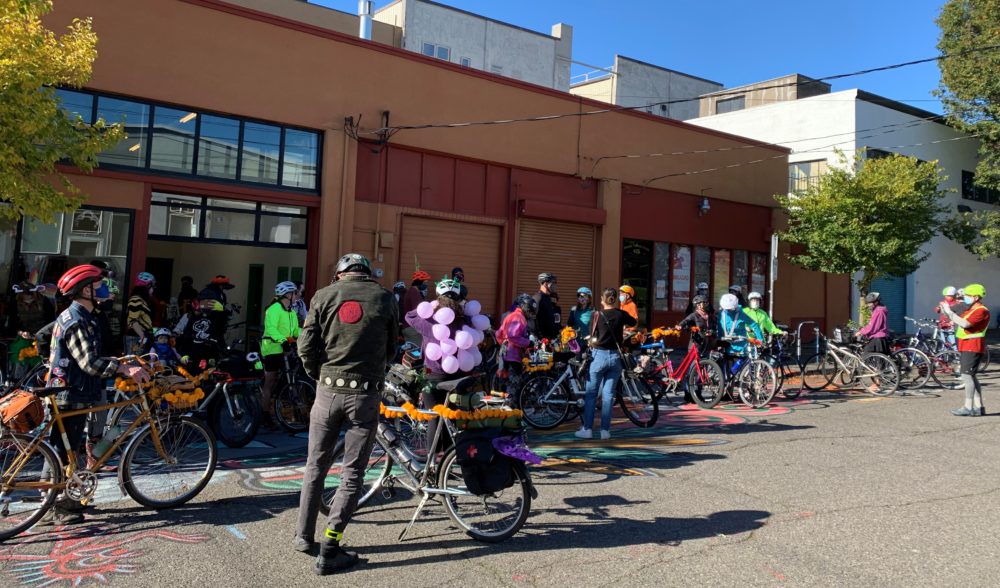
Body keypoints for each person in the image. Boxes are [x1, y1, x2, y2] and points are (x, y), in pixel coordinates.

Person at [295, 253, 397, 574]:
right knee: (352, 473)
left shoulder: (323, 295)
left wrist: (318, 374)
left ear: (339, 274)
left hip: (327, 391)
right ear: (366, 273)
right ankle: (331, 546)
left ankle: (303, 537)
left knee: (316, 465)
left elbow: (305, 345)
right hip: (365, 393)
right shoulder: (384, 297)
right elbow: (392, 346)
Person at [43, 264, 148, 525]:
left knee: (66, 451)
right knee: (60, 451)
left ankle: (57, 503)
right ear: (85, 290)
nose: (103, 288)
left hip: (73, 390)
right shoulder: (77, 320)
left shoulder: (83, 315)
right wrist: (123, 367)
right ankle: (54, 508)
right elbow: (88, 362)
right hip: (72, 393)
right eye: (98, 284)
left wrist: (120, 359)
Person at [576, 288, 636, 440]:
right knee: (608, 396)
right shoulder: (620, 314)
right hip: (615, 357)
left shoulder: (596, 315)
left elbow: (591, 334)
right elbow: (634, 322)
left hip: (598, 356)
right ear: (615, 299)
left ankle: (587, 429)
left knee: (591, 395)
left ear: (603, 299)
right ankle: (605, 431)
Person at [940, 284, 990, 417]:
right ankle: (979, 407)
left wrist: (950, 312)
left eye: (967, 295)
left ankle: (968, 407)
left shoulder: (981, 310)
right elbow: (956, 317)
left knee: (967, 376)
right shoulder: (971, 308)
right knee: (972, 376)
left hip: (973, 346)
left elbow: (965, 324)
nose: (965, 297)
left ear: (976, 297)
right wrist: (947, 310)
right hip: (967, 345)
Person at [261, 281, 302, 429]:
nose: (297, 296)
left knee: (289, 378)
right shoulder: (274, 309)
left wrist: (309, 334)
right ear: (288, 294)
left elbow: (296, 331)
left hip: (285, 348)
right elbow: (271, 328)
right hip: (272, 348)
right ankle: (264, 415)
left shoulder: (291, 311)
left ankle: (282, 407)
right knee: (270, 381)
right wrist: (283, 340)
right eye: (295, 293)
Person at [175, 288, 228, 368]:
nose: (199, 312)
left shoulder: (215, 318)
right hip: (193, 352)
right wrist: (184, 354)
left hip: (209, 352)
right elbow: (187, 336)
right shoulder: (191, 318)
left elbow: (219, 329)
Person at [496, 293, 536, 378]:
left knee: (505, 383)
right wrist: (528, 343)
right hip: (513, 357)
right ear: (525, 307)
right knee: (514, 385)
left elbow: (498, 334)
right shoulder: (518, 317)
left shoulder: (513, 315)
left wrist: (503, 344)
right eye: (530, 311)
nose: (530, 314)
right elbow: (513, 336)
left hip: (506, 355)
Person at [717, 293, 763, 358]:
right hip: (726, 347)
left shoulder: (741, 314)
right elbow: (719, 329)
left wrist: (759, 339)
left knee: (740, 367)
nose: (728, 310)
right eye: (726, 309)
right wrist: (719, 341)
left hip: (741, 348)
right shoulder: (721, 314)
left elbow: (754, 325)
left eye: (730, 309)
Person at [125, 272, 155, 355]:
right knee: (133, 365)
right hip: (136, 337)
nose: (153, 289)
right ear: (147, 286)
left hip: (141, 336)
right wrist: (142, 336)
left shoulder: (141, 300)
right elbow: (132, 320)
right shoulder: (136, 299)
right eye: (152, 286)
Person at [532, 272, 560, 340]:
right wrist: (540, 338)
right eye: (553, 283)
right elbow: (533, 321)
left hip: (551, 339)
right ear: (545, 283)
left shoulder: (548, 298)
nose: (555, 285)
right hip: (542, 341)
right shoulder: (537, 298)